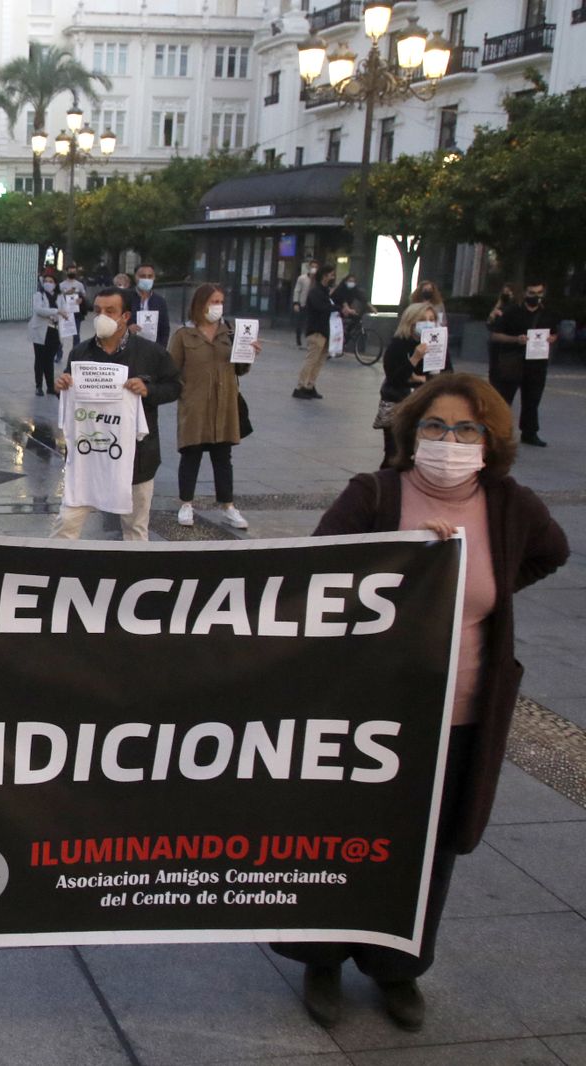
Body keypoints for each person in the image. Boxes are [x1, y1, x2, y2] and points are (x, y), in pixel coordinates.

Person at [277, 373, 568, 1034]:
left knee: (426, 846)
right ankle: (321, 958)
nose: (449, 440)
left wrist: (481, 589)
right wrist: (399, 565)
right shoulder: (375, 495)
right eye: (435, 427)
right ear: (411, 434)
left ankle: (396, 967)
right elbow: (312, 577)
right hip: (367, 711)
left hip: (459, 712)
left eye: (467, 429)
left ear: (490, 440)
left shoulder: (511, 506)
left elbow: (549, 555)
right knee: (340, 834)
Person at [51, 287, 181, 541]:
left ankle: (135, 575)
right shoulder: (81, 353)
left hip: (136, 458)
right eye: (98, 311)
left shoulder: (150, 353)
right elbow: (70, 395)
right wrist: (61, 387)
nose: (102, 316)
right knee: (66, 523)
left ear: (126, 317)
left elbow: (175, 387)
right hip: (87, 460)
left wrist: (148, 390)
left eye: (110, 311)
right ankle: (55, 570)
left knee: (135, 527)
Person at [170, 284, 254, 530]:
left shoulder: (229, 333)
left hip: (224, 406)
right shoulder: (184, 336)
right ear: (200, 304)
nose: (218, 306)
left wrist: (248, 354)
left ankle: (228, 505)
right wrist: (182, 392)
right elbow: (171, 369)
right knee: (191, 455)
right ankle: (186, 504)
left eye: (221, 301)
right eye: (213, 301)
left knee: (223, 458)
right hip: (195, 407)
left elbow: (240, 369)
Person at [487, 280, 558, 447]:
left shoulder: (548, 314)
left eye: (539, 293)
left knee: (532, 399)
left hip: (537, 363)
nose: (536, 297)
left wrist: (551, 339)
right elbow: (495, 335)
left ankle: (529, 432)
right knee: (504, 399)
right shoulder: (512, 312)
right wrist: (516, 340)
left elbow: (555, 334)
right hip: (513, 361)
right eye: (532, 293)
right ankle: (499, 432)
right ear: (525, 293)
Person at [379, 301, 446, 467]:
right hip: (398, 403)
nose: (428, 323)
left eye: (432, 319)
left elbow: (446, 375)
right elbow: (394, 377)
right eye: (423, 319)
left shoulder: (438, 345)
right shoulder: (398, 345)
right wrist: (415, 358)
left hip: (425, 403)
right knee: (394, 451)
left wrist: (423, 379)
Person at [293, 263, 339, 399]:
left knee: (319, 361)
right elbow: (321, 307)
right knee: (312, 360)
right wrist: (336, 308)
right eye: (331, 275)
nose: (333, 277)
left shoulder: (325, 291)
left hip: (325, 331)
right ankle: (300, 386)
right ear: (324, 276)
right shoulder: (315, 291)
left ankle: (310, 385)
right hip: (316, 331)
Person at [28, 268, 70, 396]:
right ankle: (38, 386)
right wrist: (55, 311)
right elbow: (39, 310)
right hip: (40, 331)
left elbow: (65, 310)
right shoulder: (38, 295)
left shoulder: (59, 296)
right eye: (46, 281)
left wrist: (61, 313)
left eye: (51, 281)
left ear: (55, 283)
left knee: (49, 359)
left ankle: (50, 386)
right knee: (40, 359)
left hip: (54, 330)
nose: (48, 283)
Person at [129, 263, 172, 346]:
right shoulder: (125, 298)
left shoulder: (160, 301)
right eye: (142, 276)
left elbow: (164, 329)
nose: (146, 279)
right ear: (135, 277)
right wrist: (127, 330)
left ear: (154, 278)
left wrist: (160, 351)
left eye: (150, 276)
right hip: (129, 348)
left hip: (152, 349)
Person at [334, 273, 373, 358]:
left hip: (346, 309)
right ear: (345, 281)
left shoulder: (354, 290)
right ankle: (339, 342)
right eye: (350, 281)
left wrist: (371, 307)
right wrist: (348, 309)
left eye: (353, 281)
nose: (352, 283)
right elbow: (342, 300)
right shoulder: (341, 289)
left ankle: (346, 335)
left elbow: (362, 298)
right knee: (339, 323)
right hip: (336, 308)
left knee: (357, 318)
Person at [291, 259, 317, 345]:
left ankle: (310, 341)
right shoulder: (302, 278)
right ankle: (298, 339)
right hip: (303, 303)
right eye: (312, 267)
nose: (314, 268)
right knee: (300, 323)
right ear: (309, 267)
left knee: (311, 324)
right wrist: (296, 303)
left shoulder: (318, 280)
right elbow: (297, 290)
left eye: (316, 267)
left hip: (313, 305)